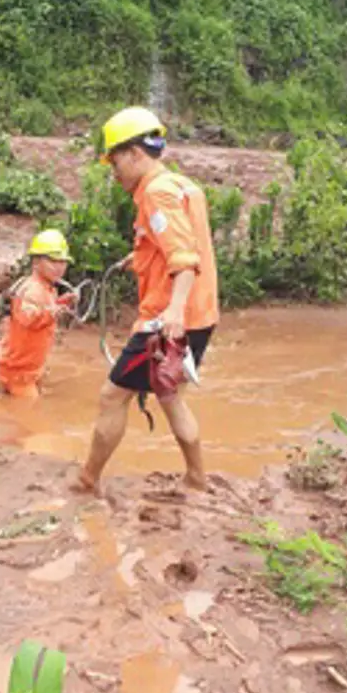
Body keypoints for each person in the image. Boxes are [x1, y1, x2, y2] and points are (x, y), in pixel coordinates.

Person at [74, 107, 219, 496]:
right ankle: (196, 477)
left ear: (137, 153)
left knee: (112, 396)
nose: (113, 170)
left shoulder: (156, 194)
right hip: (201, 315)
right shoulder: (182, 186)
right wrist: (136, 258)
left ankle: (88, 480)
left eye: (116, 160)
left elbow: (184, 259)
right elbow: (181, 241)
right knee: (171, 396)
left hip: (168, 318)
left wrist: (173, 312)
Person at [0, 229, 79, 399]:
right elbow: (28, 318)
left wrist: (62, 302)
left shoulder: (46, 287)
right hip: (19, 372)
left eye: (63, 262)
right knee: (30, 414)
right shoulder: (32, 290)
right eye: (53, 261)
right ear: (36, 262)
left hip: (27, 367)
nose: (59, 267)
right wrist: (53, 313)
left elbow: (42, 310)